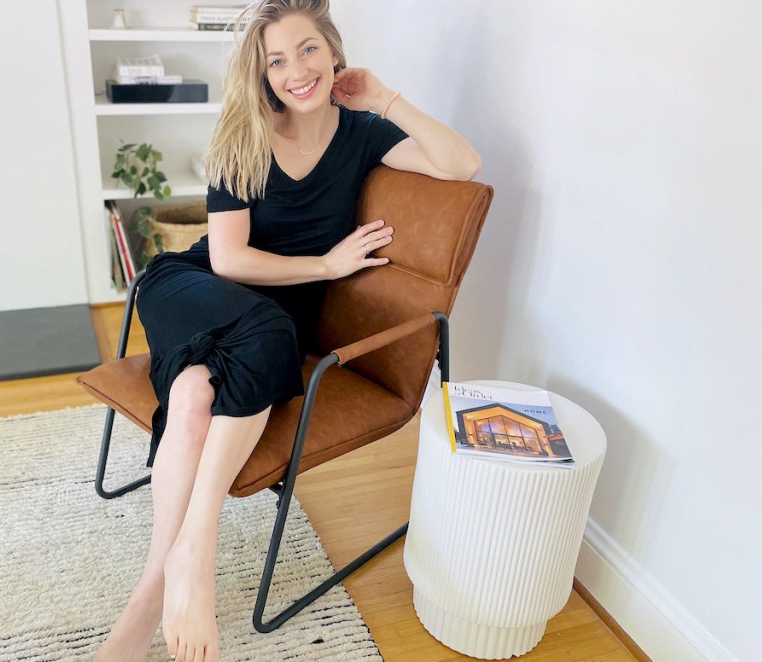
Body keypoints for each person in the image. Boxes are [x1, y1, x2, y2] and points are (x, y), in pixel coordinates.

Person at [94, 1, 480, 661]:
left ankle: (150, 595)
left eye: (307, 50)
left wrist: (385, 98)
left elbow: (460, 163)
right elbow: (228, 261)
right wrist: (328, 265)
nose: (295, 71)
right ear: (261, 74)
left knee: (191, 396)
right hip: (190, 289)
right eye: (276, 60)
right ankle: (197, 551)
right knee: (266, 331)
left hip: (271, 325)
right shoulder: (240, 137)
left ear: (333, 51)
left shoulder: (362, 132)